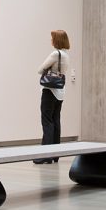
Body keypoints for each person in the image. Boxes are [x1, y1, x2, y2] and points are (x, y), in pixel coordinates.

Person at [34, 30, 70, 164]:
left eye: (52, 38)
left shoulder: (55, 54)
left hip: (50, 91)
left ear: (56, 40)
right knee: (56, 121)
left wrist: (47, 69)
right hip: (60, 92)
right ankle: (55, 154)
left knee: (47, 121)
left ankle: (45, 155)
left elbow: (40, 69)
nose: (51, 40)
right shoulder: (66, 55)